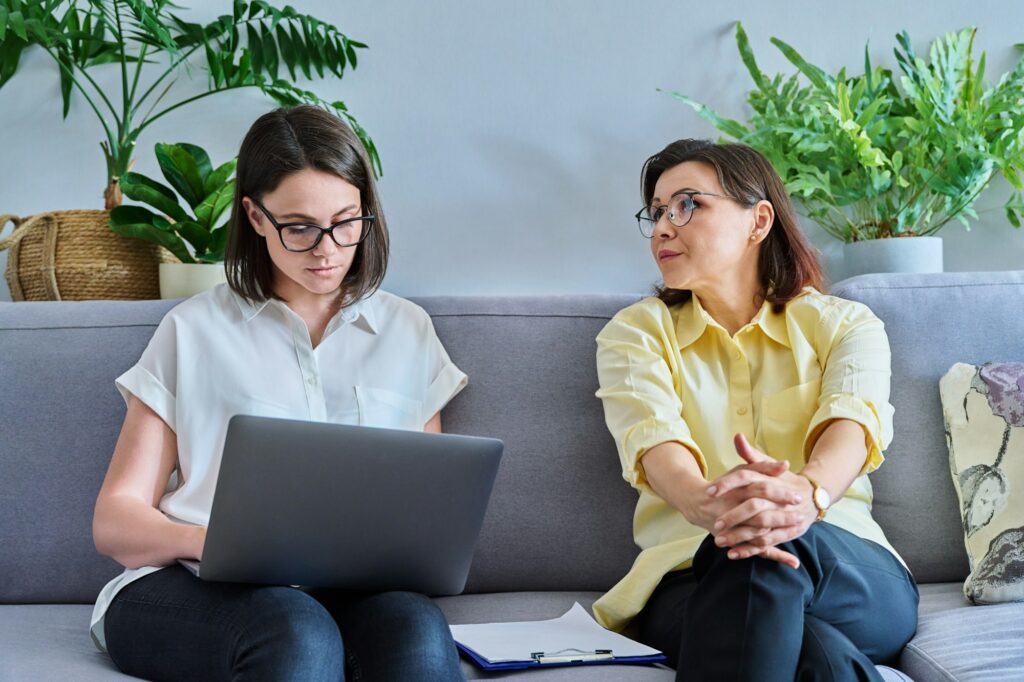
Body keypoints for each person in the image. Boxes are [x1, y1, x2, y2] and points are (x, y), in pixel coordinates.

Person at [90, 105, 468, 681]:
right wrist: (213, 541)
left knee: (416, 628)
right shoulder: (192, 331)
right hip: (193, 587)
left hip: (349, 592)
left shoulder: (408, 331)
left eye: (346, 221)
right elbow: (115, 521)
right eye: (299, 227)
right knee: (297, 629)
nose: (328, 249)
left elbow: (420, 520)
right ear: (255, 216)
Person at [592, 139, 919, 681]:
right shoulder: (637, 333)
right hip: (689, 576)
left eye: (687, 204)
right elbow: (653, 445)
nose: (665, 228)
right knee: (814, 650)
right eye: (655, 213)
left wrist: (804, 496)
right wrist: (709, 505)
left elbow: (853, 428)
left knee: (770, 543)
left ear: (758, 220)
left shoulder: (843, 324)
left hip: (848, 569)